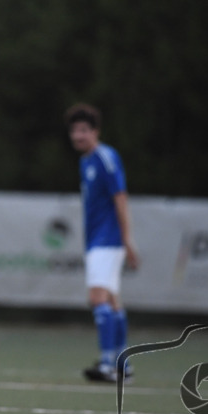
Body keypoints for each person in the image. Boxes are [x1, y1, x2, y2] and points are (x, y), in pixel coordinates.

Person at [64, 103, 139, 383]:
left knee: (97, 299)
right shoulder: (86, 161)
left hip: (107, 240)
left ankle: (108, 364)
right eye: (74, 131)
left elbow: (120, 198)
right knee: (113, 302)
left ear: (96, 131)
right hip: (98, 239)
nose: (78, 136)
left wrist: (127, 239)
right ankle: (124, 364)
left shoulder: (106, 158)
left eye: (83, 130)